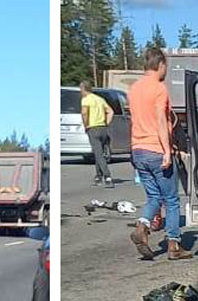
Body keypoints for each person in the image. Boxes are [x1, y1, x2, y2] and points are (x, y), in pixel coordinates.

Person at [127, 46, 191, 261]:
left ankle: (143, 225)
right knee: (171, 200)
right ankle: (174, 245)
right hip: (156, 149)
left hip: (138, 149)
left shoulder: (134, 89)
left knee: (153, 196)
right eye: (166, 67)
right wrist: (166, 151)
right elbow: (161, 121)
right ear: (160, 65)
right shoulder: (159, 88)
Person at [79, 80, 114, 188]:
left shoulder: (86, 99)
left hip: (92, 128)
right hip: (102, 128)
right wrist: (106, 123)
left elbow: (84, 112)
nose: (80, 91)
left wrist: (86, 125)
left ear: (83, 89)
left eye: (81, 89)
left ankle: (107, 177)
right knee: (98, 153)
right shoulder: (100, 99)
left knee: (98, 154)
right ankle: (98, 176)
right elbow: (110, 111)